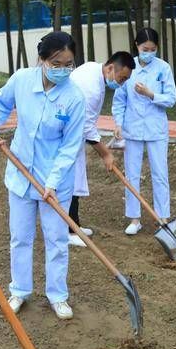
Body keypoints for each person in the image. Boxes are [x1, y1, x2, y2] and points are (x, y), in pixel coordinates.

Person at [0, 31, 85, 320]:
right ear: (42, 60)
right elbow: (1, 102)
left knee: (56, 240)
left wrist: (52, 183)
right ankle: (20, 291)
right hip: (20, 174)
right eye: (57, 63)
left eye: (69, 63)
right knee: (20, 237)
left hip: (56, 181)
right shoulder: (21, 80)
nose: (64, 69)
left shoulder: (73, 97)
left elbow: (70, 147)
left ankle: (58, 296)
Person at [67, 51, 136, 247]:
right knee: (69, 182)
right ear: (110, 68)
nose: (121, 83)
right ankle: (69, 231)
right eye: (121, 78)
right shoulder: (92, 88)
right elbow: (87, 126)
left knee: (75, 180)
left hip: (72, 135)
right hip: (65, 137)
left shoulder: (92, 69)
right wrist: (105, 154)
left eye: (125, 80)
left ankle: (74, 227)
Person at [112, 27, 176, 235]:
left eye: (152, 48)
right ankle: (134, 218)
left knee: (160, 173)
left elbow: (171, 98)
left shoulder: (163, 68)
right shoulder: (128, 68)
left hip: (156, 129)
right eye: (144, 48)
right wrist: (118, 124)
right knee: (132, 174)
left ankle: (162, 217)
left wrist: (151, 94)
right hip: (132, 129)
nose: (148, 52)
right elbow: (119, 100)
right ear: (137, 46)